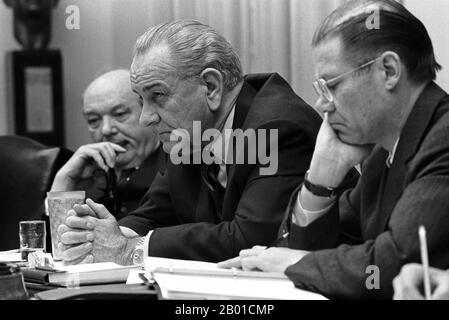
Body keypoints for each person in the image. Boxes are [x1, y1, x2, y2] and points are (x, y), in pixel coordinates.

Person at [219, 0, 449, 299]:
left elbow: (391, 265)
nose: (321, 104)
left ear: (389, 70)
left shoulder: (443, 139)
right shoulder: (381, 156)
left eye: (331, 85)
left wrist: (295, 262)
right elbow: (320, 252)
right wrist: (320, 180)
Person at [56, 19, 330, 266]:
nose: (146, 119)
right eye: (141, 100)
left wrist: (130, 248)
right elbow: (152, 215)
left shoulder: (277, 127)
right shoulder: (191, 135)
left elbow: (252, 240)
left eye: (158, 96)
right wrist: (100, 236)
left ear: (211, 86)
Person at [50, 69, 163, 220]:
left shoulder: (176, 168)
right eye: (93, 120)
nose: (106, 129)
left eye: (120, 114)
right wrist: (64, 180)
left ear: (148, 111)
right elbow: (49, 241)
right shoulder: (83, 177)